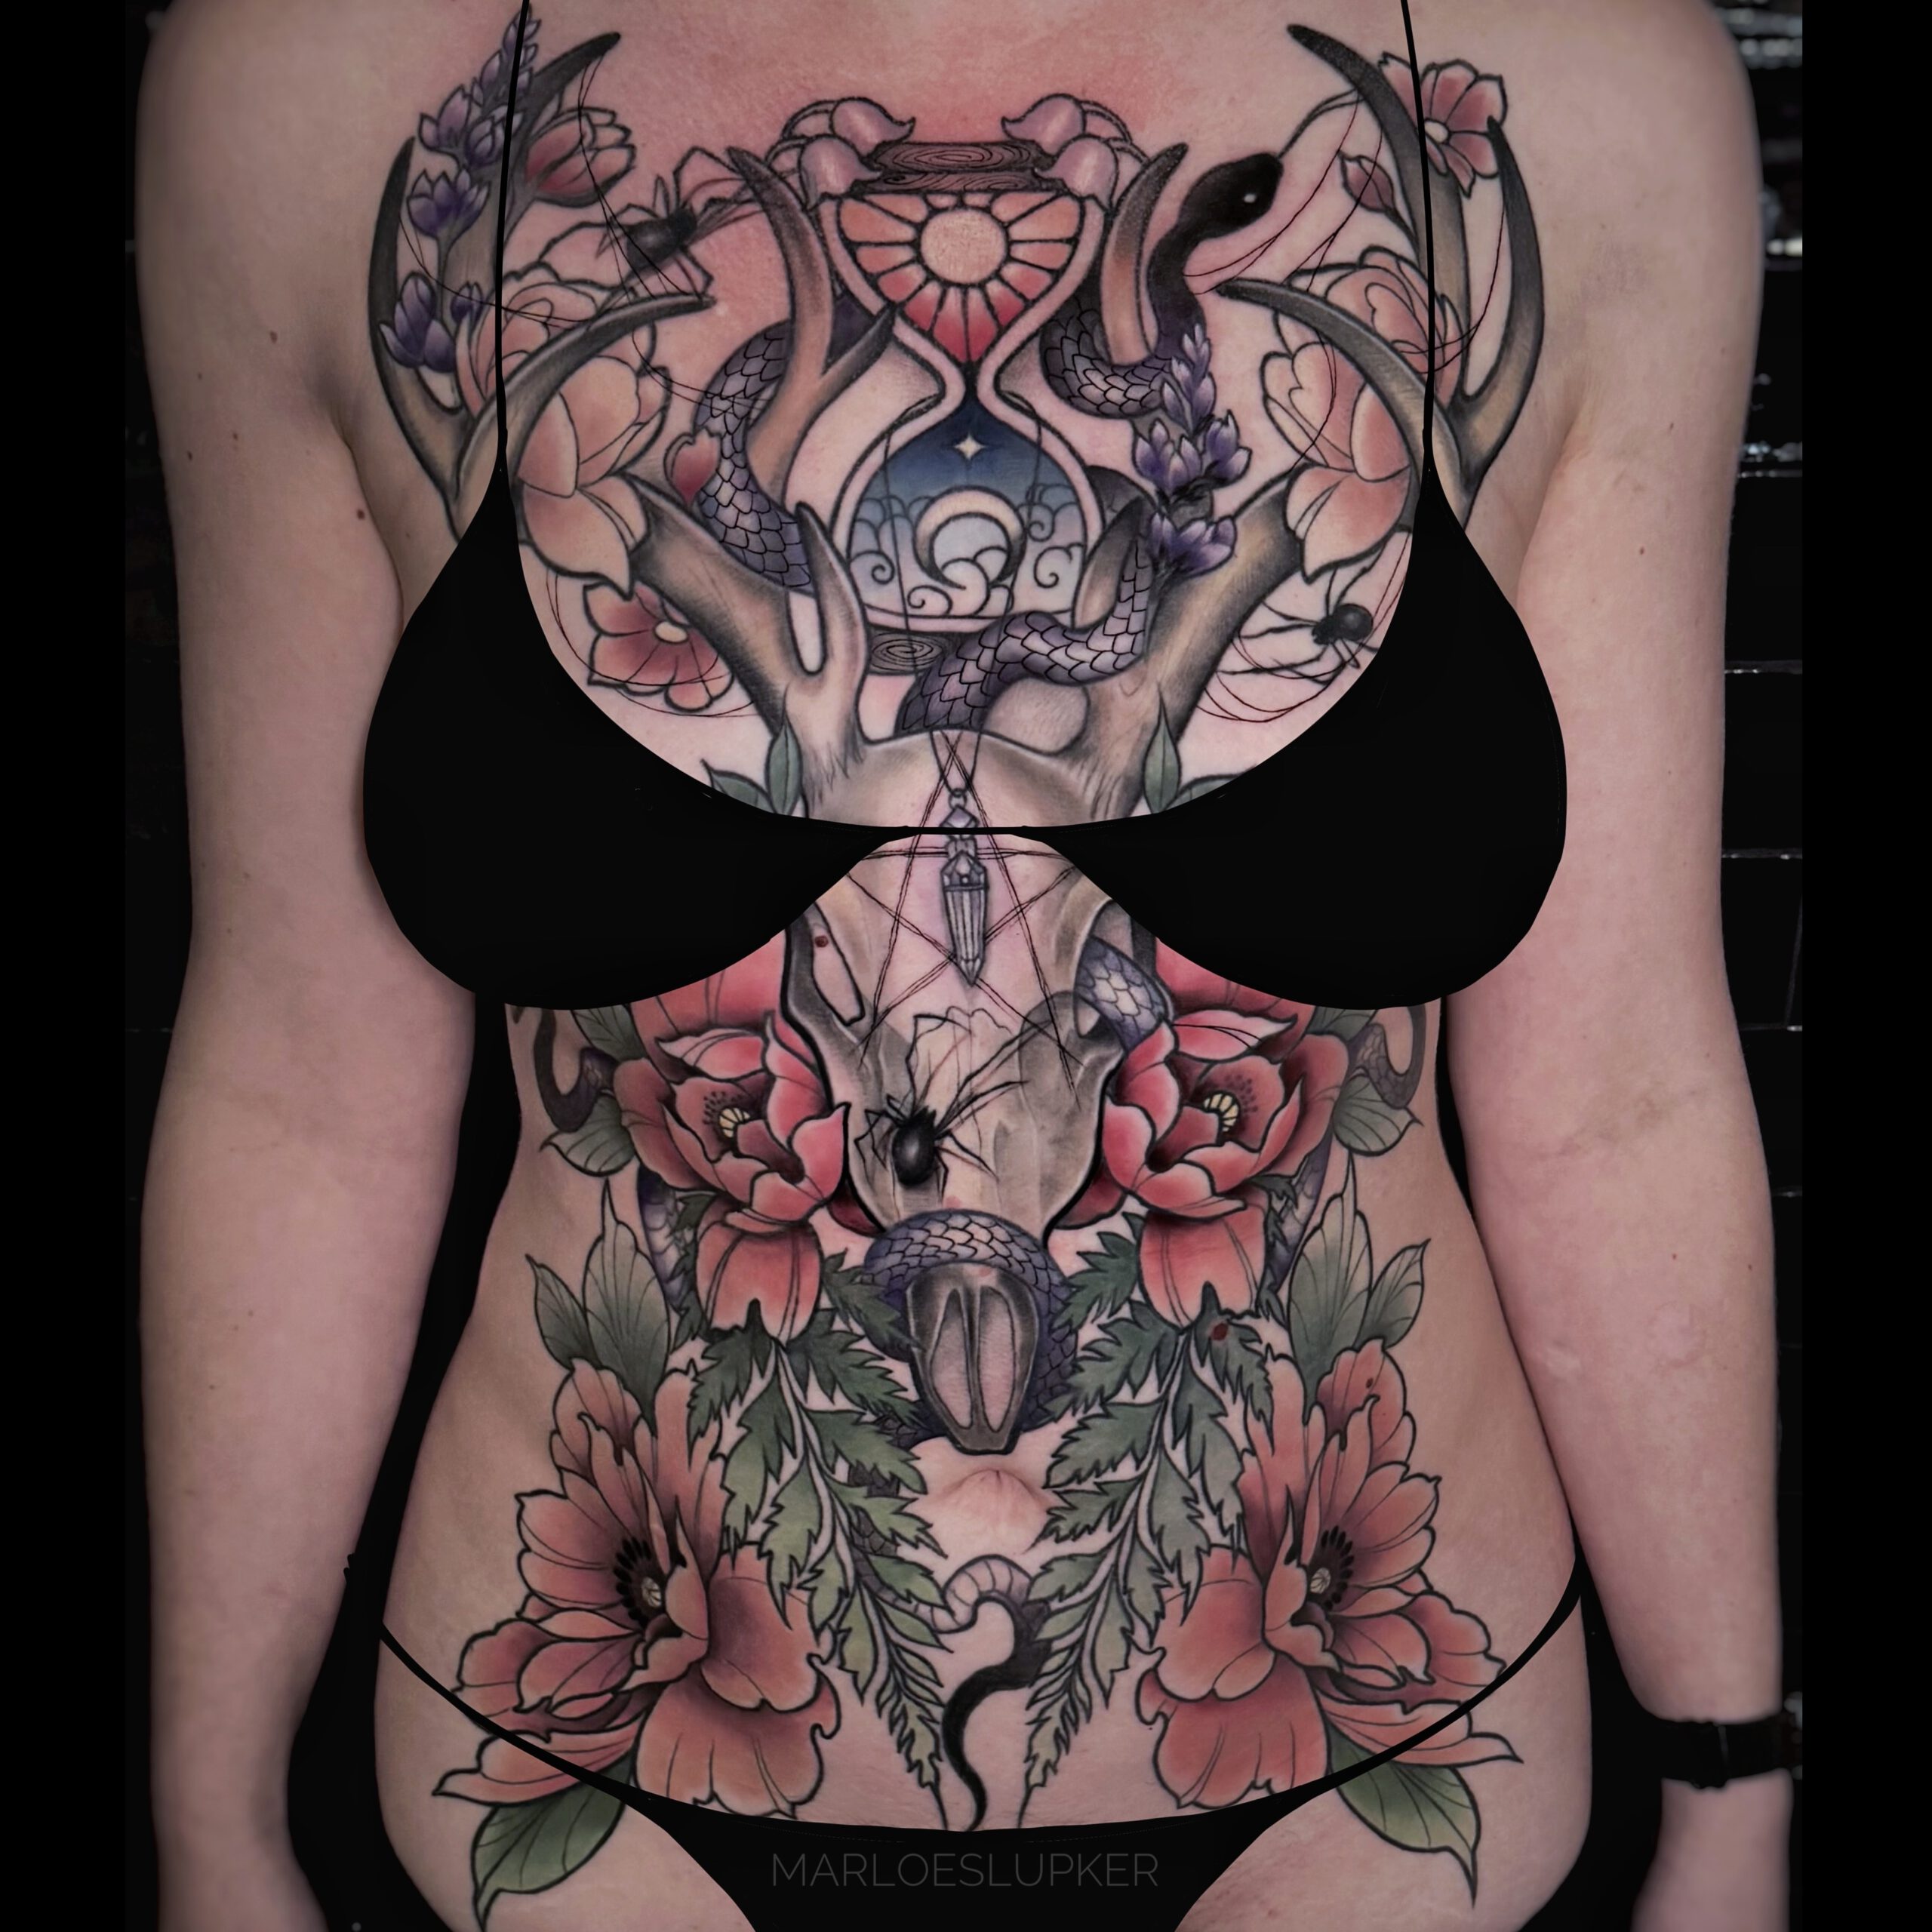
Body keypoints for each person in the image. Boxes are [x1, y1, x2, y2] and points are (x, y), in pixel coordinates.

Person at [137, 2, 1789, 1927]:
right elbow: (303, 1088)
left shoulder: (1580, 83)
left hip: (1371, 1774)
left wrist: (1728, 1778)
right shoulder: (313, 81)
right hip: (597, 1770)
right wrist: (210, 1817)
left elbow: (1609, 1092)